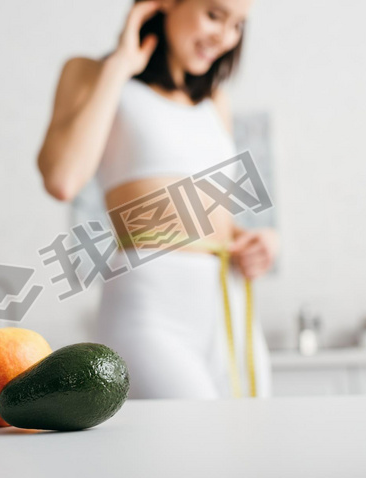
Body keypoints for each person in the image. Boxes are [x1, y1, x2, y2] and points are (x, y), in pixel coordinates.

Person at [37, 0, 279, 398]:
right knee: (192, 449)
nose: (225, 37)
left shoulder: (214, 102)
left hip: (229, 304)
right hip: (150, 310)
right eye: (214, 15)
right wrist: (120, 65)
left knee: (251, 449)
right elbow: (62, 179)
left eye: (237, 25)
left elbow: (218, 220)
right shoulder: (92, 74)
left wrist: (257, 242)